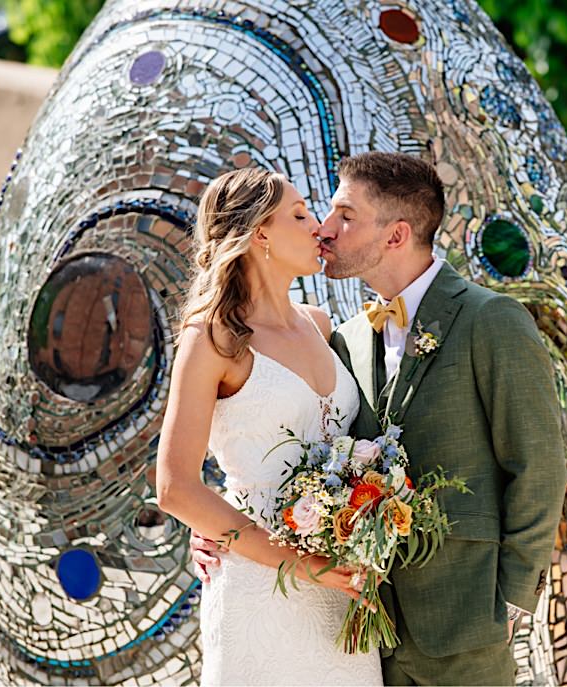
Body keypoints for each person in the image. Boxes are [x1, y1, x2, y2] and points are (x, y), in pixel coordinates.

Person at [190, 152, 567, 686]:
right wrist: (220, 526)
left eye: (345, 215)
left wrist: (513, 601)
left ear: (395, 235)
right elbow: (298, 440)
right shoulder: (342, 339)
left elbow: (539, 465)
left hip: (465, 622)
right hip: (361, 627)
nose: (325, 228)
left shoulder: (491, 320)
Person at [156, 167, 381, 685]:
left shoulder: (320, 324)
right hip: (261, 589)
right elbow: (175, 487)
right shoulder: (213, 337)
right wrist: (299, 564)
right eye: (300, 215)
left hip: (343, 589)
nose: (318, 228)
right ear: (260, 233)